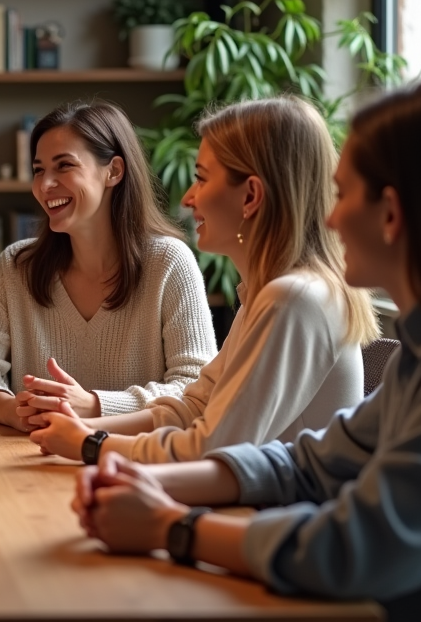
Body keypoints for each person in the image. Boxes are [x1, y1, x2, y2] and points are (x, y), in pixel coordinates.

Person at [71, 79, 421, 622]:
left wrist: (172, 526)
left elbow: (360, 546)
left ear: (391, 213)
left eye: (344, 194)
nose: (329, 218)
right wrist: (147, 483)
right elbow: (312, 463)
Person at [29, 97, 376, 462]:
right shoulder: (268, 295)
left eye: (201, 178)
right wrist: (85, 429)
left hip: (276, 516)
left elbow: (212, 447)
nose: (189, 197)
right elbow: (193, 408)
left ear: (251, 196)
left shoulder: (293, 299)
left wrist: (91, 445)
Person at [0, 99, 217, 430]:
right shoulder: (17, 265)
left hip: (135, 465)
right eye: (38, 170)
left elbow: (196, 389)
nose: (45, 185)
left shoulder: (170, 263)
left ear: (113, 171)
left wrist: (94, 406)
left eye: (64, 166)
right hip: (31, 459)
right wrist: (15, 410)